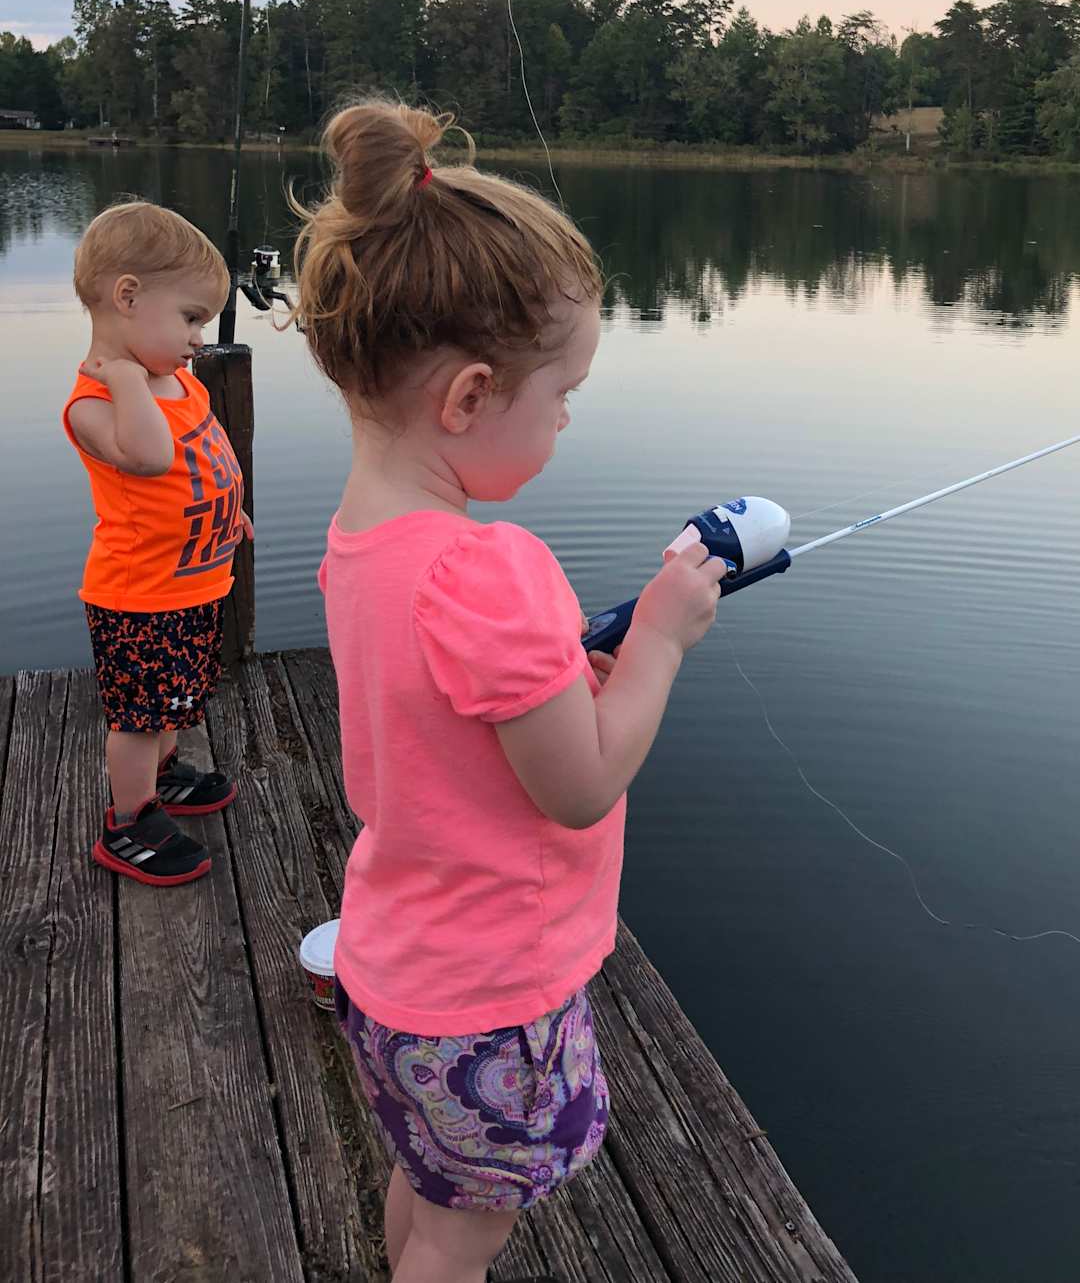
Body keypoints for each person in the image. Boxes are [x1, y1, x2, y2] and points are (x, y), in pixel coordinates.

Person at [292, 101, 724, 1283]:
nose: (568, 418)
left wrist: (559, 677)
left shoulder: (360, 540)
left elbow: (455, 715)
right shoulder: (494, 567)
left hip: (396, 966)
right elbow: (579, 787)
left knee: (427, 1192)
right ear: (470, 397)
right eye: (561, 394)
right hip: (489, 996)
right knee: (464, 1236)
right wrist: (661, 646)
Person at [64, 201, 250, 885]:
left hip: (195, 583)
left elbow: (201, 454)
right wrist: (120, 377)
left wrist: (230, 512)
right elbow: (147, 457)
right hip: (138, 596)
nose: (199, 337)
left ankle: (164, 776)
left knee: (176, 696)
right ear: (128, 296)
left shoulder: (176, 380)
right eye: (190, 317)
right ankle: (129, 821)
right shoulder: (96, 401)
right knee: (138, 715)